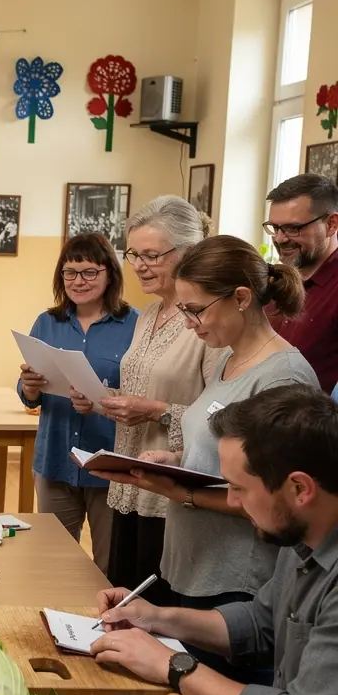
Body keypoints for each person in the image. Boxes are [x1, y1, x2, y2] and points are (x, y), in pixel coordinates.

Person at [91, 384, 338, 695]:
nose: (232, 502)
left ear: (300, 489)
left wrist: (174, 666)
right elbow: (260, 623)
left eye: (239, 487)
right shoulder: (302, 534)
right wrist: (159, 618)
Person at [91, 236, 317, 621]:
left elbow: (279, 500)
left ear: (241, 298)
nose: (188, 323)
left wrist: (181, 493)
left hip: (236, 577)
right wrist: (176, 459)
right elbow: (223, 452)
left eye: (196, 311)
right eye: (184, 310)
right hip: (193, 564)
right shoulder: (229, 359)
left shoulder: (283, 377)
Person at [73, 197, 223, 590]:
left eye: (151, 255)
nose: (139, 265)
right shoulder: (150, 313)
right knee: (123, 594)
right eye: (133, 254)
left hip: (170, 493)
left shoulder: (206, 320)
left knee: (154, 604)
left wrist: (157, 410)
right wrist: (100, 401)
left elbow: (221, 416)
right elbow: (140, 391)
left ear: (188, 251)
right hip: (130, 483)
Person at [17, 234, 138, 572]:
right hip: (55, 460)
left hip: (110, 465)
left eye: (89, 272)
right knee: (53, 566)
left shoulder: (135, 325)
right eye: (70, 272)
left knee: (109, 567)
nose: (78, 281)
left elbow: (142, 394)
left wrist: (100, 402)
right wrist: (29, 388)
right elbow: (28, 393)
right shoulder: (47, 322)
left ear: (110, 274)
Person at [264, 173, 338, 393]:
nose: (280, 238)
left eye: (293, 228)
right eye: (275, 228)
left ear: (331, 224)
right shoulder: (273, 281)